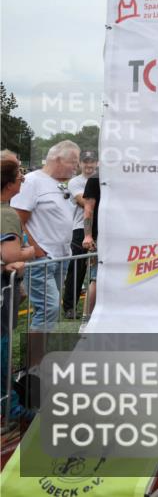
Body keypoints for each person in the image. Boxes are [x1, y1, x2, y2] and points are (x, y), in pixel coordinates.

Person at [11, 141, 79, 330]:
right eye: (73, 162)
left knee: (51, 309)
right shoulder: (31, 182)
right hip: (42, 260)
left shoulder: (59, 184)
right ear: (58, 159)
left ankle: (43, 347)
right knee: (49, 308)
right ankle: (36, 350)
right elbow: (17, 221)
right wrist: (38, 252)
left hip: (59, 258)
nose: (76, 167)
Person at [2, 159, 36, 425]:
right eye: (19, 175)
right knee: (3, 345)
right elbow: (11, 254)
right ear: (8, 182)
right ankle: (10, 407)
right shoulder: (6, 214)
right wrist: (30, 252)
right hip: (3, 292)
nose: (23, 179)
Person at [64, 150, 97, 317]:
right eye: (85, 161)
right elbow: (84, 203)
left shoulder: (101, 180)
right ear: (80, 164)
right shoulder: (75, 182)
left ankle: (95, 306)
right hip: (80, 228)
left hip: (100, 227)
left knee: (98, 269)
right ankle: (70, 307)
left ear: (97, 163)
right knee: (77, 268)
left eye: (92, 161)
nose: (89, 165)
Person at [81, 169, 102, 320]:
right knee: (96, 278)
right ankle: (85, 320)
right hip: (102, 237)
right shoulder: (95, 178)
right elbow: (88, 209)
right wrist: (88, 236)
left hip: (127, 236)